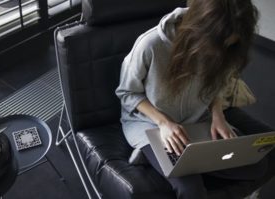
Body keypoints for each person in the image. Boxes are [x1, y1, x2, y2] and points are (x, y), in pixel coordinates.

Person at [115, 0, 275, 198]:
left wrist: (218, 115)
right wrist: (164, 123)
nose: (222, 51)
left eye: (230, 45)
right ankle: (155, 154)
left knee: (257, 167)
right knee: (191, 190)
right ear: (200, 28)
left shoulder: (225, 46)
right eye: (220, 45)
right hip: (151, 124)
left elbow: (217, 83)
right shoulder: (151, 44)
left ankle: (189, 161)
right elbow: (127, 93)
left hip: (198, 119)